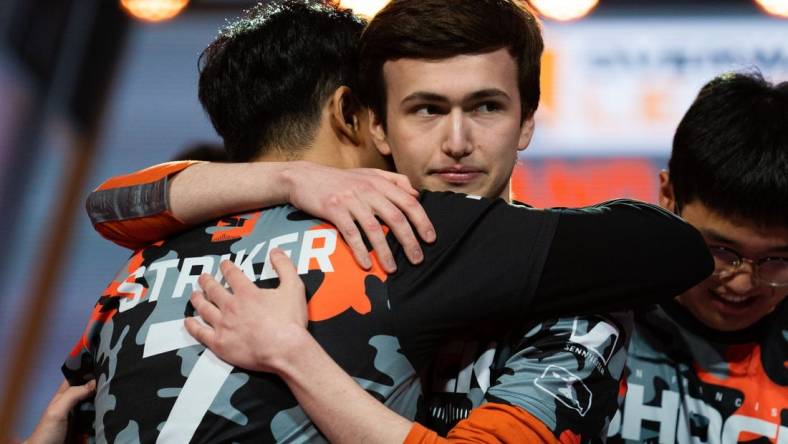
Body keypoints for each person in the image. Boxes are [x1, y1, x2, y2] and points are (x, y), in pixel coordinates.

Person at [55, 1, 711, 442]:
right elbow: (670, 247)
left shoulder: (143, 259)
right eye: (423, 110)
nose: (455, 141)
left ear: (526, 119)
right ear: (362, 118)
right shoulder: (406, 232)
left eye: (484, 107)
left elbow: (105, 206)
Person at [607, 73, 788, 443]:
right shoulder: (586, 320)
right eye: (721, 251)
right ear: (669, 196)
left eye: (775, 260)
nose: (742, 283)